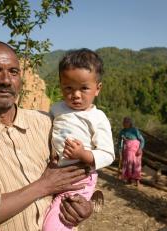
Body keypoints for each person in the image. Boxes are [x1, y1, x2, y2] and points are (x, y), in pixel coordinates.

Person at [0, 41, 94, 231]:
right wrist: (44, 186)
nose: (6, 80)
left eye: (13, 72)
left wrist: (85, 205)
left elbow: (80, 172)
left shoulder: (46, 123)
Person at [43, 49, 115, 231]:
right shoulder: (57, 108)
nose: (75, 95)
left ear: (98, 89)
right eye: (69, 88)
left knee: (54, 225)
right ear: (60, 85)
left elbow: (108, 154)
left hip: (79, 178)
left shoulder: (97, 117)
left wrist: (82, 154)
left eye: (84, 88)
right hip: (56, 174)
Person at [118, 117, 145, 186]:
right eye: (124, 122)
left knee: (137, 164)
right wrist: (120, 150)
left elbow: (142, 140)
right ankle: (129, 178)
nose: (125, 123)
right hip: (127, 150)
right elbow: (119, 142)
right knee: (128, 163)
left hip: (136, 149)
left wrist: (140, 149)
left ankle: (137, 179)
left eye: (127, 122)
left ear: (130, 123)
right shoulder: (122, 132)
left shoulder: (134, 130)